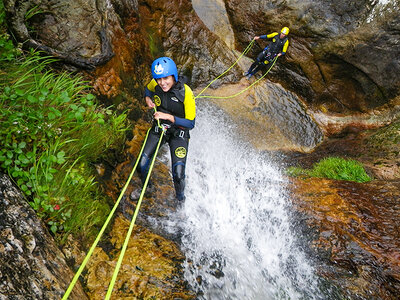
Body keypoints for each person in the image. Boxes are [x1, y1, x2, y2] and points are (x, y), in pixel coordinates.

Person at [135, 57, 196, 201]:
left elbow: (191, 123)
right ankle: (147, 188)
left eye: (166, 78)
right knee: (142, 164)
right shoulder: (154, 83)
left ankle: (180, 199)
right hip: (159, 129)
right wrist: (147, 99)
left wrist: (168, 117)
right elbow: (147, 90)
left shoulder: (186, 92)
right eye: (158, 79)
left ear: (173, 76)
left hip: (179, 133)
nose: (162, 83)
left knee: (178, 173)